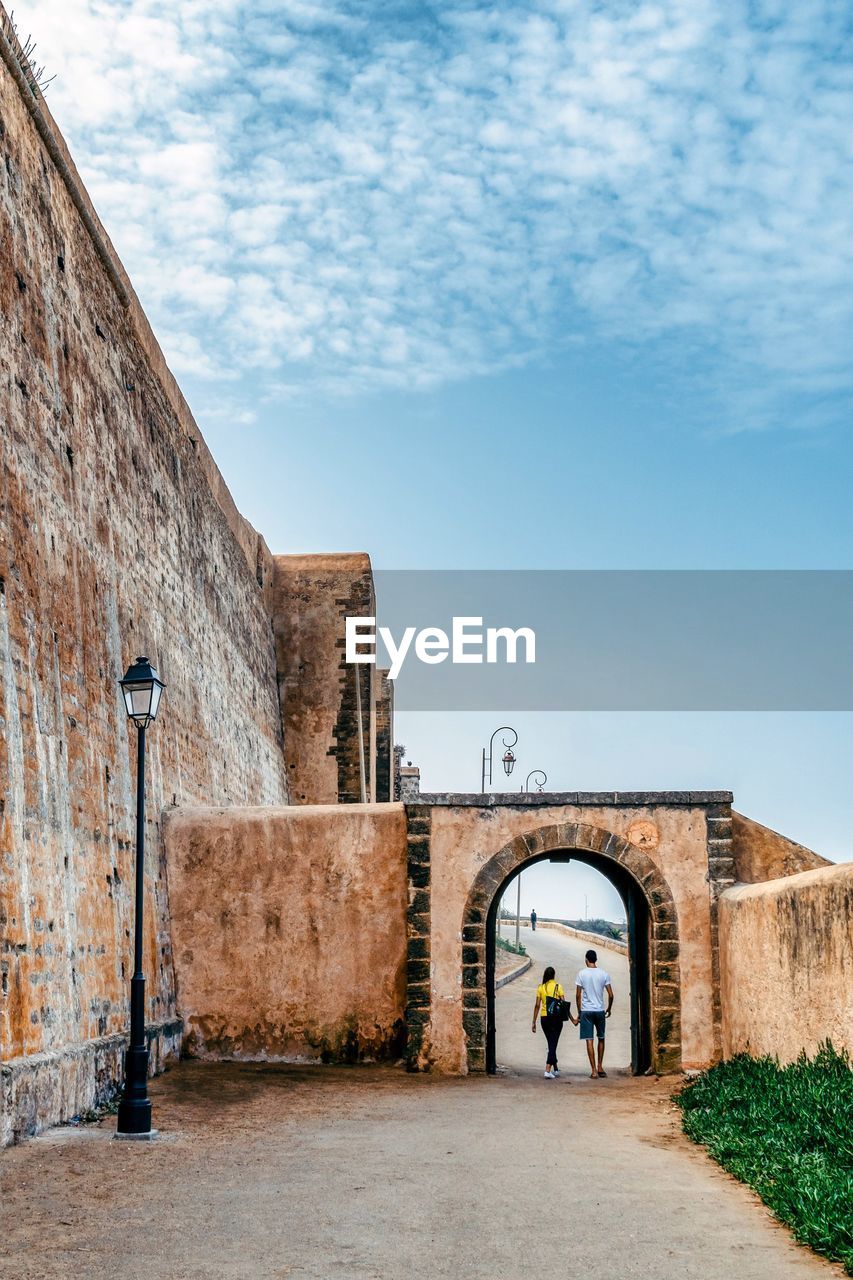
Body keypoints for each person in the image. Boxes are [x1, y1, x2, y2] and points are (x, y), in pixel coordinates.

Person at [575, 949, 614, 1078]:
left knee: (589, 1040)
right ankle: (600, 1066)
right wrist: (608, 1008)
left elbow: (578, 995)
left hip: (586, 1010)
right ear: (595, 959)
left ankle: (593, 1071)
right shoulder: (604, 974)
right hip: (600, 1010)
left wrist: (579, 1011)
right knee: (601, 1038)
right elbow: (611, 994)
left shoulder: (581, 974)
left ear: (586, 960)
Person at [531, 965, 568, 1078]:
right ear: (554, 975)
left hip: (544, 1018)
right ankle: (547, 1069)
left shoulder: (541, 988)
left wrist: (533, 1021)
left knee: (551, 1042)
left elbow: (537, 1005)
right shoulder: (558, 986)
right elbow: (563, 1003)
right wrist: (569, 1018)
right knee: (553, 1042)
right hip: (556, 1018)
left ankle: (555, 1068)